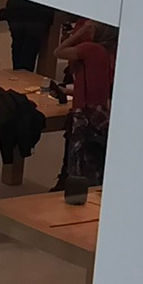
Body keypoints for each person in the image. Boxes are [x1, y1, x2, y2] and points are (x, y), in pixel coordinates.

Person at [55, 19, 117, 188]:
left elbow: (58, 52)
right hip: (100, 111)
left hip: (84, 112)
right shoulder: (110, 54)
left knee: (77, 162)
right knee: (93, 160)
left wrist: (80, 34)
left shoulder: (92, 49)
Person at [0, 0, 56, 72]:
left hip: (16, 7)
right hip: (39, 10)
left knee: (18, 47)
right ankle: (22, 78)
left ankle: (19, 77)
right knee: (28, 50)